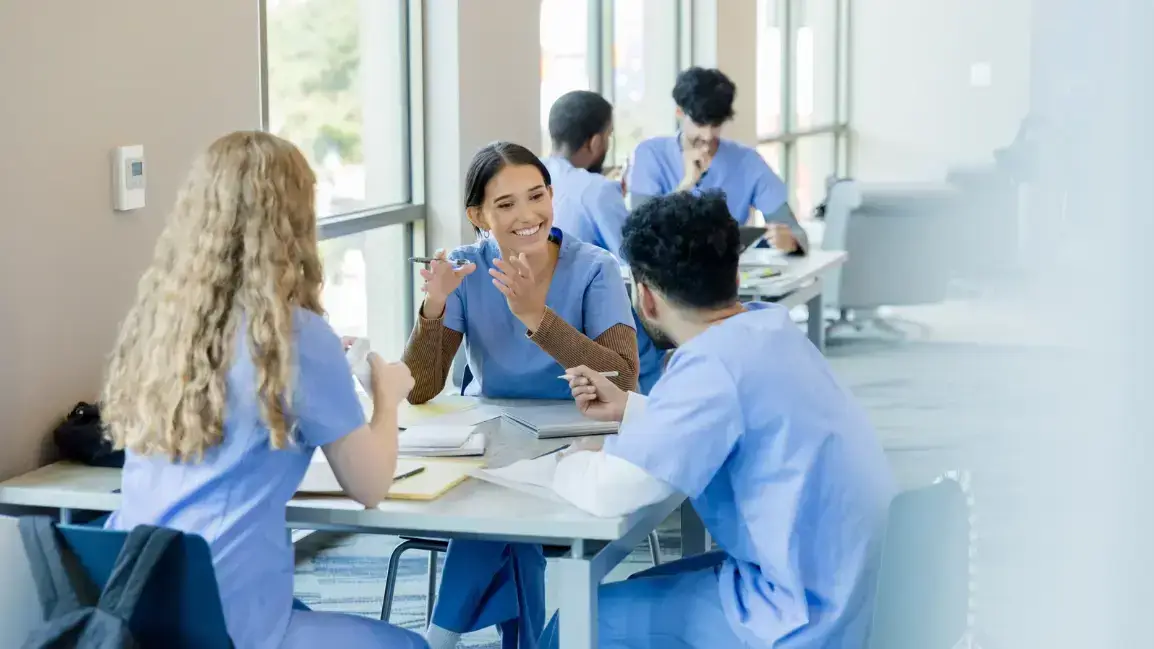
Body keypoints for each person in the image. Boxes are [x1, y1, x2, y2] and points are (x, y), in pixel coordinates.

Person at [100, 132, 427, 649]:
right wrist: (387, 396)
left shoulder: (158, 327)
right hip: (228, 622)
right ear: (292, 223)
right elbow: (370, 486)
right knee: (410, 646)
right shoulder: (295, 338)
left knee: (304, 609)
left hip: (131, 608)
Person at [543, 191, 895, 648]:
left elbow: (613, 489)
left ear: (645, 297)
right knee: (648, 585)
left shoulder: (711, 365)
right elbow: (737, 420)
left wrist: (564, 463)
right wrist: (631, 408)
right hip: (857, 589)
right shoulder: (768, 328)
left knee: (575, 620)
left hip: (800, 615)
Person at [402, 141, 639, 649]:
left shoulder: (594, 267)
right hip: (498, 442)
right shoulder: (466, 269)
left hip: (581, 440)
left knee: (492, 510)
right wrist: (434, 305)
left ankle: (438, 638)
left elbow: (623, 380)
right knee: (498, 503)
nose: (527, 215)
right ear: (478, 214)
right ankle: (521, 639)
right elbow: (420, 388)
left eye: (536, 196)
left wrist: (537, 317)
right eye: (505, 204)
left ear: (552, 195)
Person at [543, 89, 665, 394]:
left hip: (541, 318)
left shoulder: (535, 173)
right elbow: (635, 257)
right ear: (596, 141)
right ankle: (649, 415)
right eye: (608, 135)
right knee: (655, 341)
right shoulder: (596, 189)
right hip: (589, 325)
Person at [627, 66, 809, 254]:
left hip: (727, 275)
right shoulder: (650, 155)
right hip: (665, 276)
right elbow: (639, 235)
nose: (707, 135)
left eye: (715, 125)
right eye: (699, 124)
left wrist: (790, 241)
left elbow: (796, 232)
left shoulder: (747, 162)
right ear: (679, 112)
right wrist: (687, 185)